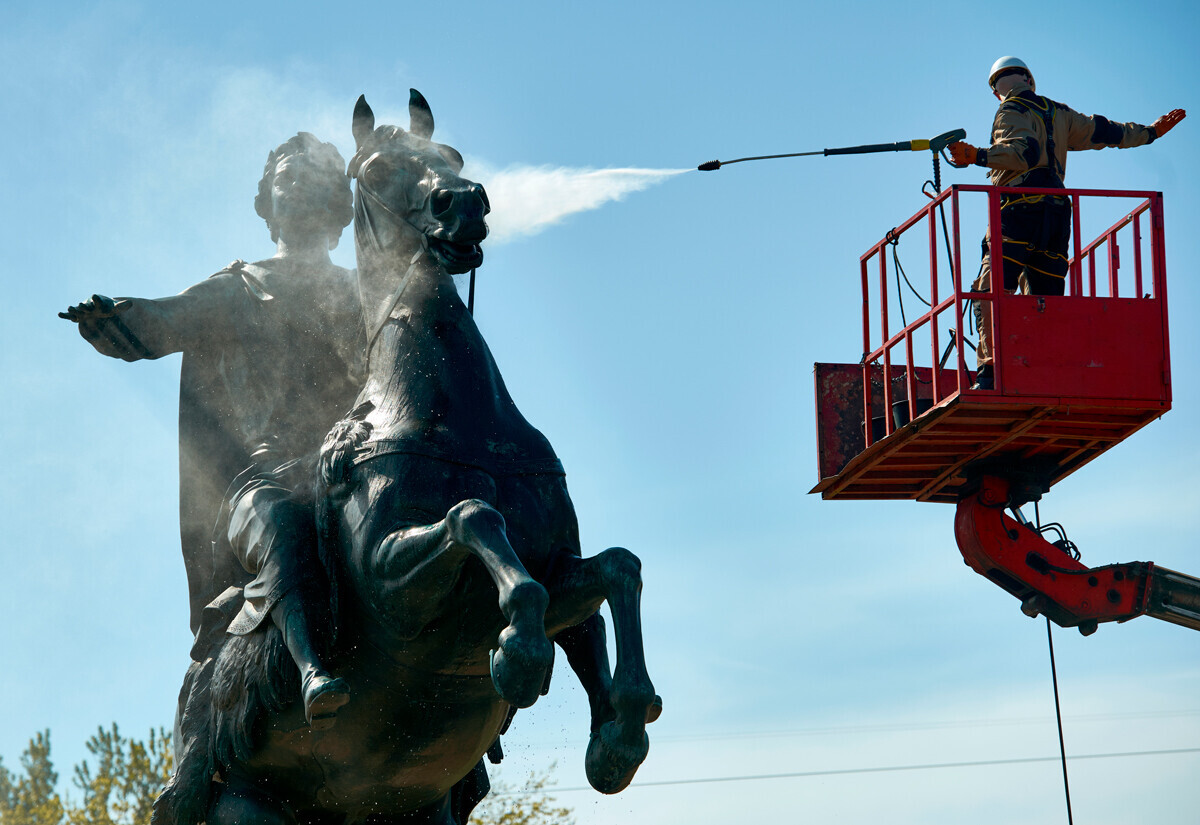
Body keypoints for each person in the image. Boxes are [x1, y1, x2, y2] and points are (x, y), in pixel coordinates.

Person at [60, 133, 365, 728]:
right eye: (285, 176)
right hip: (267, 479)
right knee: (280, 520)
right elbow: (163, 319)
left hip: (352, 468)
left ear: (337, 204)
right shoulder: (239, 288)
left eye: (313, 176)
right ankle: (311, 670)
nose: (298, 183)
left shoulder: (363, 291)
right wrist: (117, 319)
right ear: (267, 205)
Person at [948, 56, 1185, 390]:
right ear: (1029, 78)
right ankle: (1041, 371)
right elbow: (1106, 131)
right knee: (1045, 302)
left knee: (989, 292)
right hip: (1056, 217)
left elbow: (1024, 153)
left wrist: (979, 156)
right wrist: (1150, 133)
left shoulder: (1009, 111)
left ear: (996, 92)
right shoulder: (1059, 113)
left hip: (1017, 212)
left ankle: (989, 373)